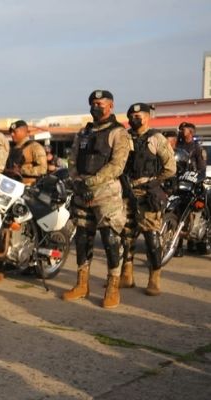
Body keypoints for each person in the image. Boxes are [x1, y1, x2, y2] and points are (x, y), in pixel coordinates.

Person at [63, 90, 131, 309]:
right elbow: (72, 159)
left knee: (111, 240)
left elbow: (117, 165)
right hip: (82, 191)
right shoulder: (84, 132)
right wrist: (76, 180)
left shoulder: (119, 132)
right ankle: (82, 284)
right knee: (82, 239)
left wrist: (93, 182)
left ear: (110, 106)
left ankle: (113, 287)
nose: (96, 106)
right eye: (93, 103)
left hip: (106, 193)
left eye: (100, 103)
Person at [120, 103, 175, 296]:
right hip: (127, 193)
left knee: (151, 238)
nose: (134, 119)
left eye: (138, 115)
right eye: (131, 116)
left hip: (148, 194)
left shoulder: (156, 138)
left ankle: (154, 279)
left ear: (147, 117)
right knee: (126, 236)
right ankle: (127, 276)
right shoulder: (125, 137)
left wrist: (153, 182)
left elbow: (170, 168)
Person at [5, 120, 47, 185]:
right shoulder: (11, 148)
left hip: (28, 188)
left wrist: (21, 170)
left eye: (14, 132)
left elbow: (42, 169)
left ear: (24, 131)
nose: (12, 134)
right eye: (11, 132)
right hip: (10, 185)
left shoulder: (35, 147)